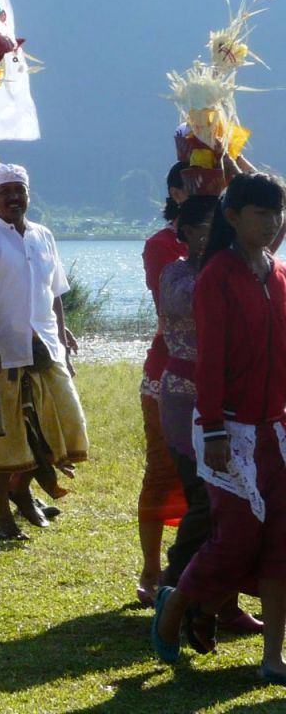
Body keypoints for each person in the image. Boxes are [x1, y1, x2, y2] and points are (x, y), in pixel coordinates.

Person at [153, 172, 286, 681]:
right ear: (233, 218)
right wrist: (210, 430)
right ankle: (174, 606)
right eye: (261, 212)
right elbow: (209, 361)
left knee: (279, 540)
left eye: (278, 212)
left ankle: (273, 656)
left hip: (274, 430)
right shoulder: (217, 276)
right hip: (226, 430)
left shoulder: (276, 274)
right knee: (236, 536)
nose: (272, 222)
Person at [0, 163, 88, 541]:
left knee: (55, 428)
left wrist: (62, 338)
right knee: (4, 434)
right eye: (5, 192)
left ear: (28, 195)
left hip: (44, 347)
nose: (14, 198)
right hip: (2, 351)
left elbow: (55, 294)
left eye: (20, 191)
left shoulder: (43, 236)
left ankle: (21, 489)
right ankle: (3, 517)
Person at [155, 194, 261, 637]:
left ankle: (219, 601)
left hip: (233, 402)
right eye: (208, 228)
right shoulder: (177, 275)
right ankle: (175, 586)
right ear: (188, 232)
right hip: (184, 401)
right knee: (204, 503)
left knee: (235, 504)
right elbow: (194, 304)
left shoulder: (237, 268)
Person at [137, 162, 193, 604]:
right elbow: (171, 305)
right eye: (192, 184)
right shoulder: (161, 246)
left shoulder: (237, 245)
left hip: (220, 375)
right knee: (162, 470)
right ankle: (152, 572)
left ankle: (197, 571)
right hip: (168, 372)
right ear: (174, 192)